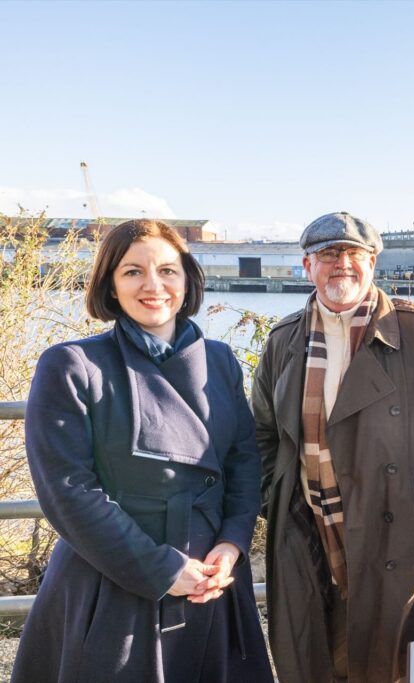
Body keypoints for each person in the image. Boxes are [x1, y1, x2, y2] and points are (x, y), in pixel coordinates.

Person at [13, 219, 272, 683]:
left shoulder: (221, 360)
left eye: (168, 271)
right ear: (110, 285)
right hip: (116, 578)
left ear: (188, 279)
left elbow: (243, 462)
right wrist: (163, 569)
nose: (154, 286)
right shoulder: (73, 365)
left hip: (211, 579)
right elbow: (68, 491)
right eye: (133, 272)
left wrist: (232, 545)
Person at [253, 212, 414, 683]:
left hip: (399, 522)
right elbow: (261, 433)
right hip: (309, 523)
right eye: (329, 255)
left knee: (398, 660)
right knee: (318, 648)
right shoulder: (284, 341)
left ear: (372, 262)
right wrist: (270, 500)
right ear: (306, 265)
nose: (342, 265)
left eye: (354, 254)